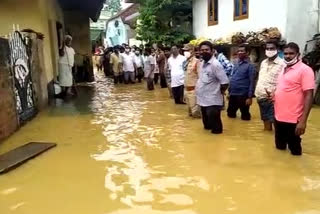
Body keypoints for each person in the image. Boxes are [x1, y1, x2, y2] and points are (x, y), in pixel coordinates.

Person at [273, 42, 315, 156]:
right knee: (279, 148)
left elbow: (309, 95)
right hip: (278, 117)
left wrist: (303, 121)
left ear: (298, 54)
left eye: (291, 53)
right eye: (285, 53)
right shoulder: (283, 69)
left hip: (293, 120)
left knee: (295, 152)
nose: (288, 56)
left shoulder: (305, 70)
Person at [196, 41, 229, 134]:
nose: (204, 52)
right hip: (203, 100)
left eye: (207, 50)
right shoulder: (202, 63)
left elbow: (225, 82)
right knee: (206, 126)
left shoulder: (215, 64)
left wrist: (219, 93)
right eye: (202, 50)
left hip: (213, 101)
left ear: (212, 51)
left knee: (216, 129)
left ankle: (217, 146)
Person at [255, 40, 285, 131]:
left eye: (272, 48)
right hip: (261, 97)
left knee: (277, 124)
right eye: (267, 48)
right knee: (266, 123)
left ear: (277, 49)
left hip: (273, 99)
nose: (269, 50)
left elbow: (283, 81)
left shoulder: (282, 64)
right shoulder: (264, 62)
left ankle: (278, 143)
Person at [227, 44, 256, 121]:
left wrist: (250, 97)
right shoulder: (236, 63)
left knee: (245, 116)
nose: (239, 52)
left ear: (247, 53)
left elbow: (252, 82)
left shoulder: (250, 66)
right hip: (233, 94)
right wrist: (229, 92)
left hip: (243, 95)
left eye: (242, 51)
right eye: (239, 51)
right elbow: (232, 77)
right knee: (230, 114)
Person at [183, 43, 201, 118]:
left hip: (194, 91)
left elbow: (200, 78)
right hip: (186, 90)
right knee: (190, 114)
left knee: (195, 114)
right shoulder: (185, 62)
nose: (185, 52)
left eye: (187, 50)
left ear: (192, 51)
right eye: (184, 50)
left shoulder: (197, 62)